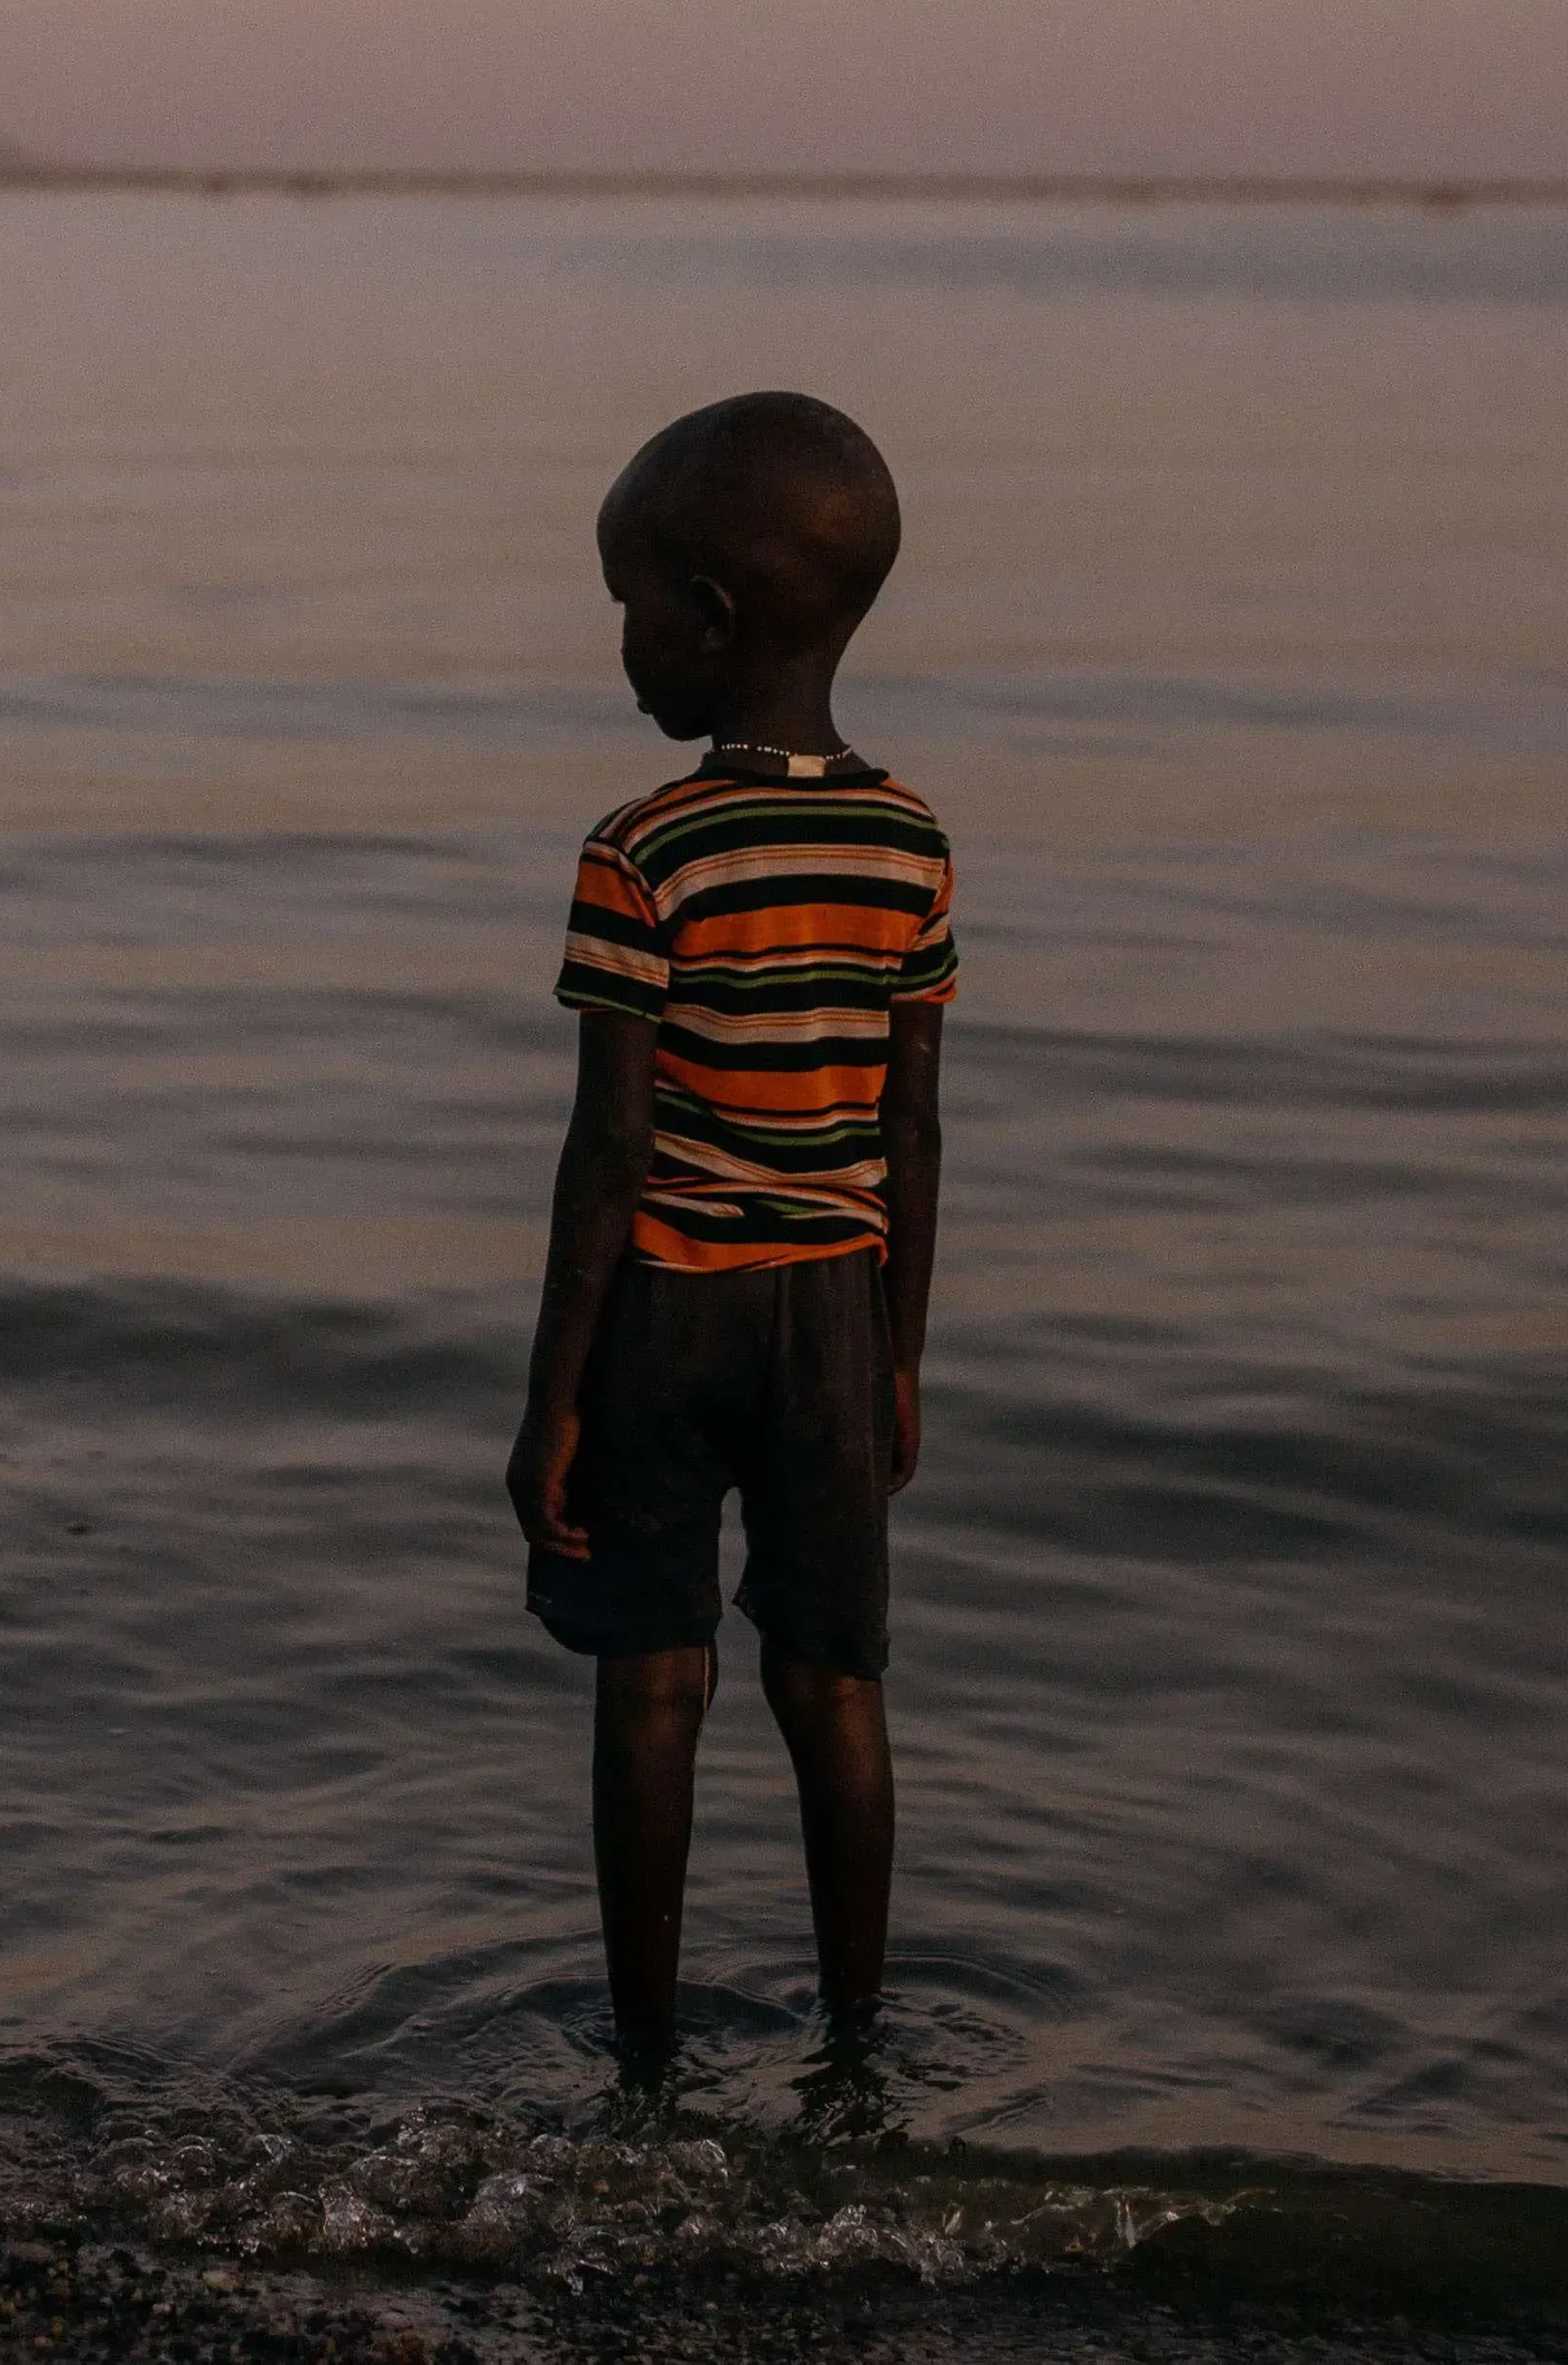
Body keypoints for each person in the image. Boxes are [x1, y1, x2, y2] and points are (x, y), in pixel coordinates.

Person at [506, 390, 953, 2069]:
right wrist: (900, 1356)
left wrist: (552, 1396)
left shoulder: (642, 852)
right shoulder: (910, 844)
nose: (617, 641)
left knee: (653, 1678)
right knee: (835, 1682)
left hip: (670, 1314)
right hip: (833, 1314)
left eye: (625, 602)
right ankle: (858, 2046)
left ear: (706, 613)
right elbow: (911, 1129)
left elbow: (609, 1149)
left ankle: (644, 2066)